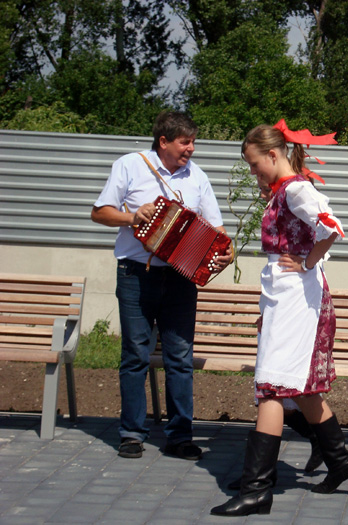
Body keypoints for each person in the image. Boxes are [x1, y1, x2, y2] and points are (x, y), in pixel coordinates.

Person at [210, 120, 348, 517]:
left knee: (272, 387)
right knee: (298, 388)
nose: (253, 171)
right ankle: (340, 462)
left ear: (273, 154)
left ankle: (257, 488)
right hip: (285, 295)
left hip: (297, 295)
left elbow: (332, 227)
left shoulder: (295, 189)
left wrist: (308, 262)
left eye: (254, 163)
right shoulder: (284, 190)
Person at [91, 111, 232, 460]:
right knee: (135, 355)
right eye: (185, 142)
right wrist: (132, 217)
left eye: (193, 142)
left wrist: (226, 252)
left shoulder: (197, 176)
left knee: (180, 358)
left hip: (181, 279)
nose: (191, 148)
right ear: (164, 141)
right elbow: (99, 212)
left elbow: (217, 229)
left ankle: (180, 437)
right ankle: (131, 434)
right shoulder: (129, 165)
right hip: (136, 275)